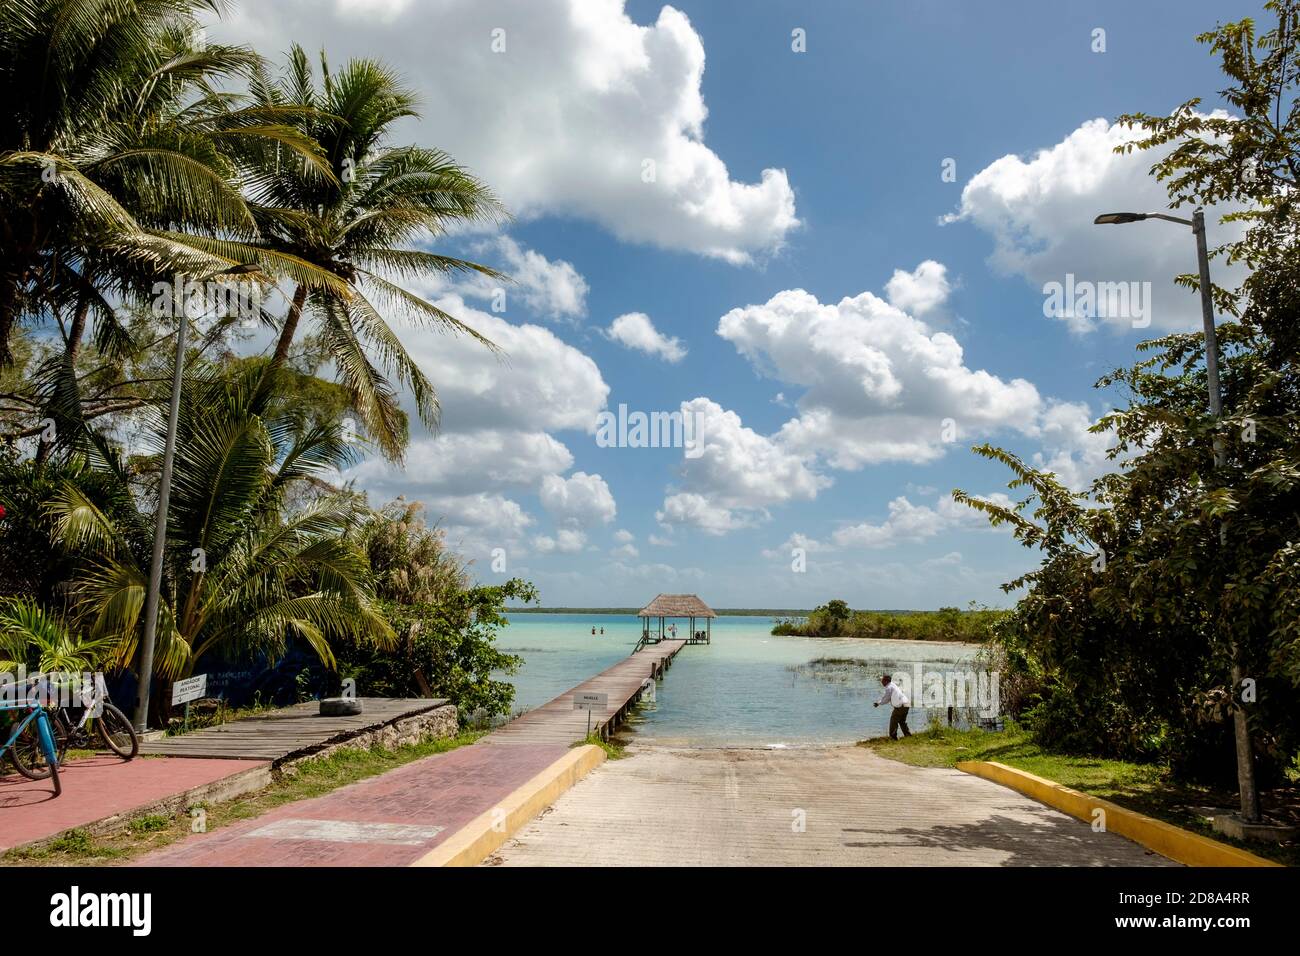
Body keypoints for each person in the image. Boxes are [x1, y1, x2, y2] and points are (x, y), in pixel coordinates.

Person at [873, 673, 911, 739]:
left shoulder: (889, 687)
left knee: (893, 721)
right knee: (902, 721)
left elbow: (886, 699)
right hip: (906, 704)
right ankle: (908, 735)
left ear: (886, 681)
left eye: (882, 680)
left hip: (901, 705)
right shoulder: (892, 684)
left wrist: (878, 703)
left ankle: (893, 738)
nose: (881, 682)